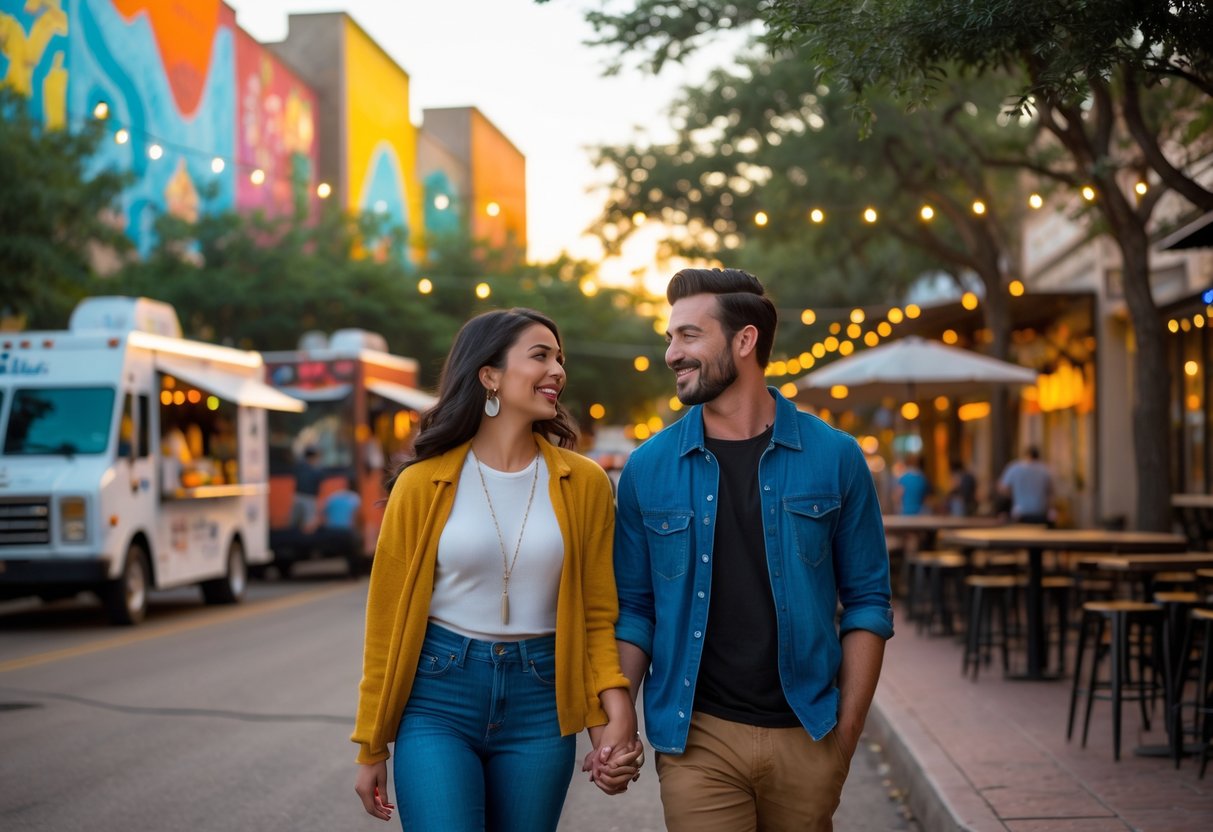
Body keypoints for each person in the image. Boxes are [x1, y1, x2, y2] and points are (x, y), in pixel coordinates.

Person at [610, 268, 894, 831]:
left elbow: (867, 603)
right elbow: (635, 610)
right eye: (670, 337)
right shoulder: (648, 467)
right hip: (698, 738)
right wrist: (616, 722)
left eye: (689, 335)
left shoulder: (836, 457)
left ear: (745, 342)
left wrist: (844, 741)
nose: (671, 353)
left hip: (808, 732)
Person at [351, 308, 642, 830]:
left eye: (560, 358)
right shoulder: (422, 484)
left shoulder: (587, 484)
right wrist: (371, 742)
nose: (557, 370)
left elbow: (598, 614)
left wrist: (610, 712)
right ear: (489, 375)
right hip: (439, 697)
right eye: (540, 356)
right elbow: (385, 624)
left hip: (541, 700)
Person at [998, 445, 1054, 524]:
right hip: (1040, 511)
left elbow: (1002, 488)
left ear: (1026, 455)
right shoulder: (1045, 470)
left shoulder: (1015, 468)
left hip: (1020, 511)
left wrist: (1014, 494)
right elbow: (1050, 493)